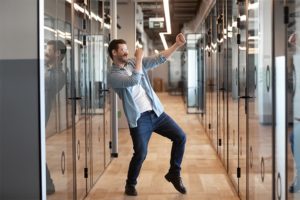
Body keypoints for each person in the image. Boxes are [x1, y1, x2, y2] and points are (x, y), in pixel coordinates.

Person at [107, 33, 187, 196]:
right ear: (114, 53)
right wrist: (139, 58)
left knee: (180, 137)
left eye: (127, 49)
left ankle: (174, 172)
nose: (126, 52)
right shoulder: (113, 75)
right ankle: (130, 184)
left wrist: (176, 45)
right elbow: (133, 81)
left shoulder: (132, 63)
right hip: (139, 119)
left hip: (156, 112)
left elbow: (158, 59)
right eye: (122, 49)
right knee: (141, 153)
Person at [44, 40, 67, 195]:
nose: (46, 52)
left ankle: (48, 184)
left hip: (41, 115)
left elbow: (46, 84)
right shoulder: (47, 70)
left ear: (57, 54)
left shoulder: (58, 75)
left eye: (48, 50)